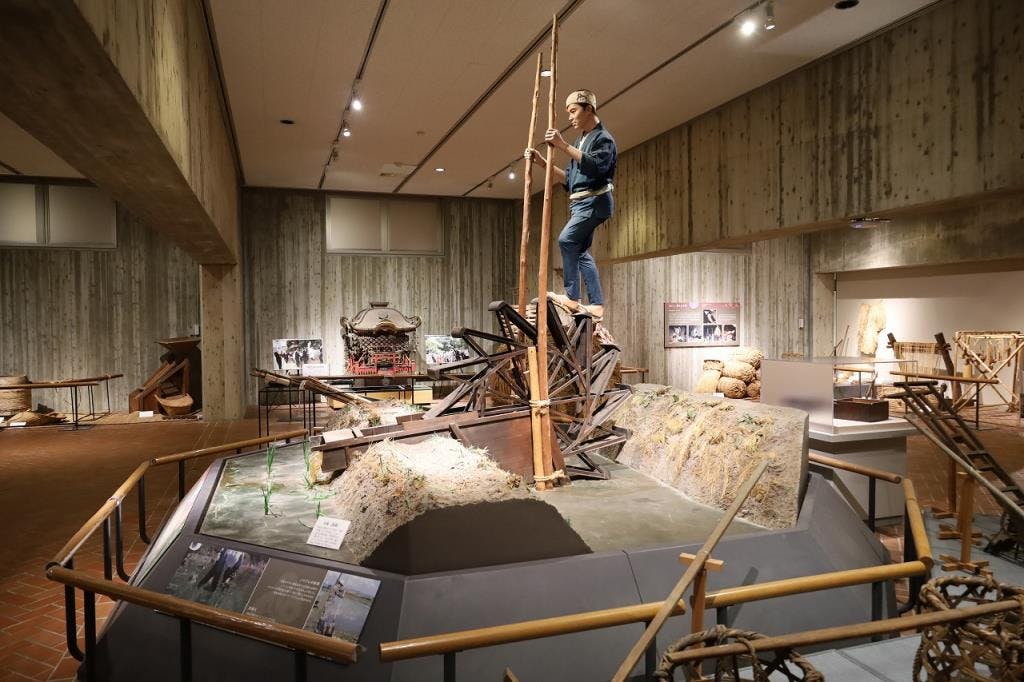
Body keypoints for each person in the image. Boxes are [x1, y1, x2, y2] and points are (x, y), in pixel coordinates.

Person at [526, 89, 617, 320]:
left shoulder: (603, 139)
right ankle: (596, 304)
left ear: (589, 109)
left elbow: (595, 167)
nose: (570, 117)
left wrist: (562, 145)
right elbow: (570, 178)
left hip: (594, 201)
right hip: (581, 203)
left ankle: (572, 297)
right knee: (580, 251)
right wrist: (543, 163)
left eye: (574, 111)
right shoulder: (580, 140)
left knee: (567, 240)